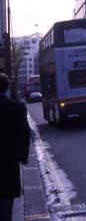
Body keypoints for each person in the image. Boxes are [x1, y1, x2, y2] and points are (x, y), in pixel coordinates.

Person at [0, 72, 30, 221]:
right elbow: (25, 134)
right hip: (8, 163)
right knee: (6, 205)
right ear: (6, 88)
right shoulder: (17, 108)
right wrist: (23, 157)